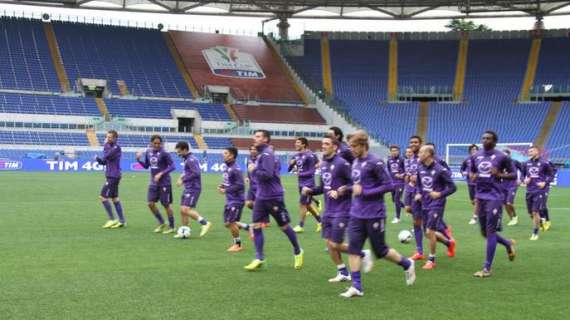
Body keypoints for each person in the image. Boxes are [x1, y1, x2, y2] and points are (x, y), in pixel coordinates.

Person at [340, 130, 415, 298]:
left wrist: (365, 192)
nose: (351, 149)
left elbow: (389, 186)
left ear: (362, 145)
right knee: (353, 248)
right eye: (350, 146)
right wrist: (349, 188)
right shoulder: (355, 162)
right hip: (356, 213)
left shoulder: (376, 162)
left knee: (380, 251)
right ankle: (357, 286)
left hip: (375, 213)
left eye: (353, 146)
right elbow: (358, 184)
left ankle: (407, 263)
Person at [302, 135, 372, 283]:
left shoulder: (342, 164)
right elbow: (323, 187)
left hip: (342, 209)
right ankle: (343, 272)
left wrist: (342, 190)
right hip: (328, 210)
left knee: (335, 244)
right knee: (330, 244)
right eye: (322, 144)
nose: (323, 146)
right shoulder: (323, 165)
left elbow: (356, 184)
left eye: (327, 144)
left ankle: (362, 253)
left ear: (335, 147)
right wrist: (310, 190)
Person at [244, 130, 304, 271]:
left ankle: (298, 250)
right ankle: (259, 257)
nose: (255, 138)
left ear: (265, 139)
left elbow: (267, 174)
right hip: (261, 196)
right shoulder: (261, 155)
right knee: (257, 226)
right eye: (255, 136)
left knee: (283, 226)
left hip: (274, 197)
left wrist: (253, 170)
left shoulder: (267, 154)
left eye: (258, 136)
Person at [469, 131, 516, 278]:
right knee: (485, 232)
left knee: (490, 232)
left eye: (488, 138)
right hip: (480, 196)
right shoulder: (476, 156)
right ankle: (507, 244)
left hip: (494, 197)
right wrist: (473, 175)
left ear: (495, 141)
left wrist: (500, 175)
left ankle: (486, 268)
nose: (485, 140)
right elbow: (473, 171)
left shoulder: (502, 157)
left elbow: (513, 174)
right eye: (483, 138)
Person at [415, 145, 457, 270]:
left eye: (421, 152)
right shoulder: (420, 167)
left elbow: (453, 187)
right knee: (428, 234)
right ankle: (449, 243)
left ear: (428, 154)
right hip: (424, 202)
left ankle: (431, 260)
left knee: (429, 231)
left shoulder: (440, 170)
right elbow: (418, 184)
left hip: (437, 203)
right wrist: (418, 192)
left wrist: (440, 194)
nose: (419, 154)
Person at [136, 135, 176, 234]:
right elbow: (146, 166)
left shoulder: (165, 153)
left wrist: (161, 173)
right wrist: (138, 160)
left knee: (166, 205)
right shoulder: (148, 152)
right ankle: (162, 222)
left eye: (159, 143)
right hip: (154, 183)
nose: (157, 145)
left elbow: (173, 166)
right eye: (155, 143)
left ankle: (172, 226)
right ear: (151, 143)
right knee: (150, 203)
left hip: (165, 183)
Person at [173, 141, 212, 239]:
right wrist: (181, 178)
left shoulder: (191, 160)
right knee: (182, 210)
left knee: (186, 209)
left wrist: (183, 180)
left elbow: (196, 173)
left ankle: (205, 223)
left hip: (194, 188)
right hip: (188, 187)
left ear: (185, 150)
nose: (178, 154)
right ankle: (184, 231)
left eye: (179, 152)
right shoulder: (187, 159)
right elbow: (187, 171)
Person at [290, 137, 322, 233]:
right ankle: (321, 222)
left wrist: (300, 173)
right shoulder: (296, 155)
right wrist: (291, 165)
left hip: (308, 184)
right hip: (300, 183)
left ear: (304, 144)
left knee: (302, 204)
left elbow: (312, 171)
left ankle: (301, 226)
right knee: (307, 205)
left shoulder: (310, 155)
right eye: (295, 142)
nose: (296, 144)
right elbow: (290, 169)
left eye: (298, 143)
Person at [522, 146, 554, 241]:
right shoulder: (526, 163)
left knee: (535, 211)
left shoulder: (544, 163)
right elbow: (522, 176)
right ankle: (540, 221)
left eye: (531, 151)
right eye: (529, 151)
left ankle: (535, 233)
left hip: (540, 190)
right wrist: (524, 180)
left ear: (537, 151)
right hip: (529, 190)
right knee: (530, 213)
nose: (529, 153)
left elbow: (551, 174)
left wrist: (545, 182)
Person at [95, 130, 125, 229]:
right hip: (113, 175)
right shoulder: (109, 147)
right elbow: (104, 161)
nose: (108, 139)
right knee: (115, 198)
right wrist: (98, 159)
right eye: (107, 137)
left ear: (115, 138)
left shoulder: (116, 147)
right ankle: (122, 221)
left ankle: (112, 219)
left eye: (110, 137)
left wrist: (104, 146)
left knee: (103, 197)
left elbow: (106, 156)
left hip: (113, 176)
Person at [405, 136, 425, 260]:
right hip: (414, 193)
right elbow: (412, 176)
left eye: (416, 142)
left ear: (420, 143)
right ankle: (419, 252)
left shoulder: (426, 157)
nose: (413, 144)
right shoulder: (411, 159)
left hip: (426, 194)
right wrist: (409, 177)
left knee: (430, 229)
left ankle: (448, 240)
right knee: (416, 222)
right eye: (411, 142)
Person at [502, 149, 523, 226]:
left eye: (505, 155)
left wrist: (520, 179)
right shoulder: (500, 164)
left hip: (512, 184)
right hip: (503, 185)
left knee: (509, 203)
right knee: (504, 204)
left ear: (509, 155)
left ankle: (515, 216)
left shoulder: (514, 162)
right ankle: (512, 219)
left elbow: (523, 170)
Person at [461, 144, 479, 225]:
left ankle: (474, 217)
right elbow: (462, 169)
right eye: (472, 149)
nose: (474, 150)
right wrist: (463, 173)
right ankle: (480, 212)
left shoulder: (480, 159)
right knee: (473, 201)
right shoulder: (466, 160)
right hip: (470, 183)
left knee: (476, 200)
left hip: (479, 183)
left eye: (475, 149)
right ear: (470, 151)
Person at [387, 145, 406, 224]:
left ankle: (397, 218)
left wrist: (402, 175)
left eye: (396, 150)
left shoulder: (402, 160)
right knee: (394, 200)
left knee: (397, 199)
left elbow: (407, 170)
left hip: (400, 183)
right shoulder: (389, 160)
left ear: (398, 151)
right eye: (392, 151)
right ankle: (408, 208)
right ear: (390, 152)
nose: (394, 152)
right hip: (392, 183)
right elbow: (388, 170)